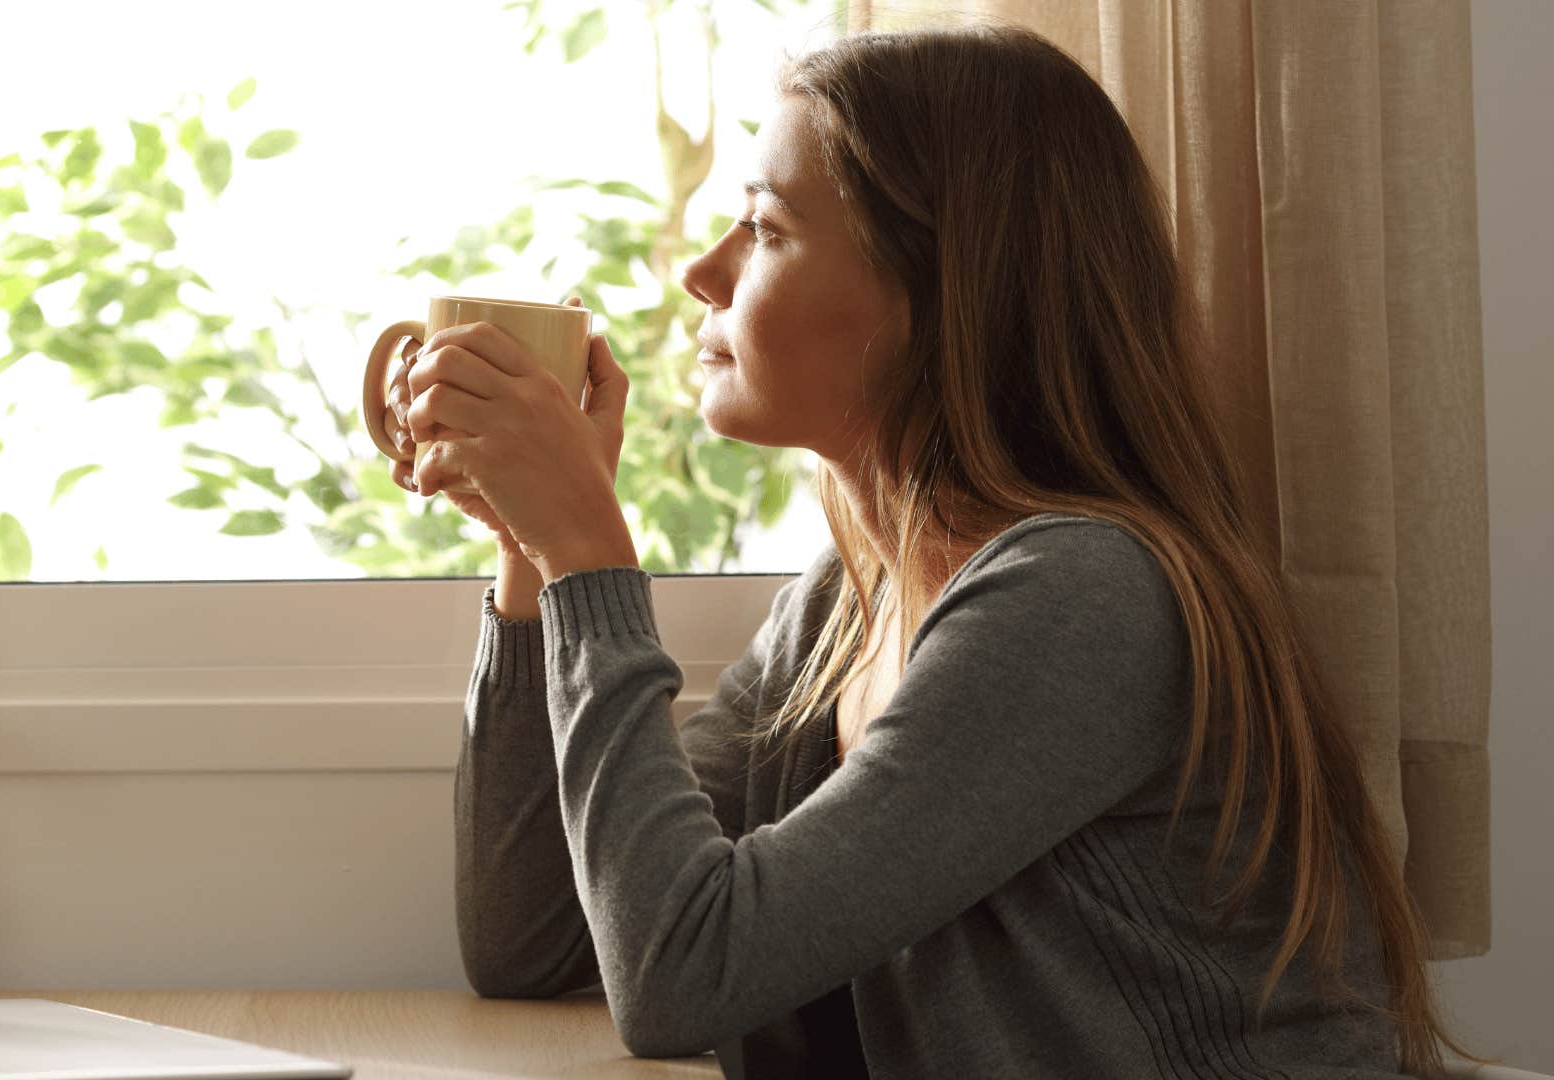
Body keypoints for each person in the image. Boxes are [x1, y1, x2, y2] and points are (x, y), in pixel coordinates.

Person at [380, 20, 1493, 1080]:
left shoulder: (1083, 597)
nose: (702, 274)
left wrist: (589, 552)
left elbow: (683, 971)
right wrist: (532, 554)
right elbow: (533, 941)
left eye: (765, 229)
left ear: (934, 292)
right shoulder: (843, 608)